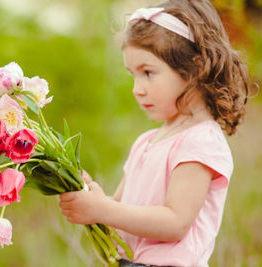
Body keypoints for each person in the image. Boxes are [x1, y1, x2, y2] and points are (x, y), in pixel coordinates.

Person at [58, 0, 254, 266]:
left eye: (148, 73)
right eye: (132, 75)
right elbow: (119, 212)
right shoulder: (146, 142)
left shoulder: (200, 140)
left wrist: (104, 209)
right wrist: (93, 200)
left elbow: (176, 222)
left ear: (194, 68)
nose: (136, 89)